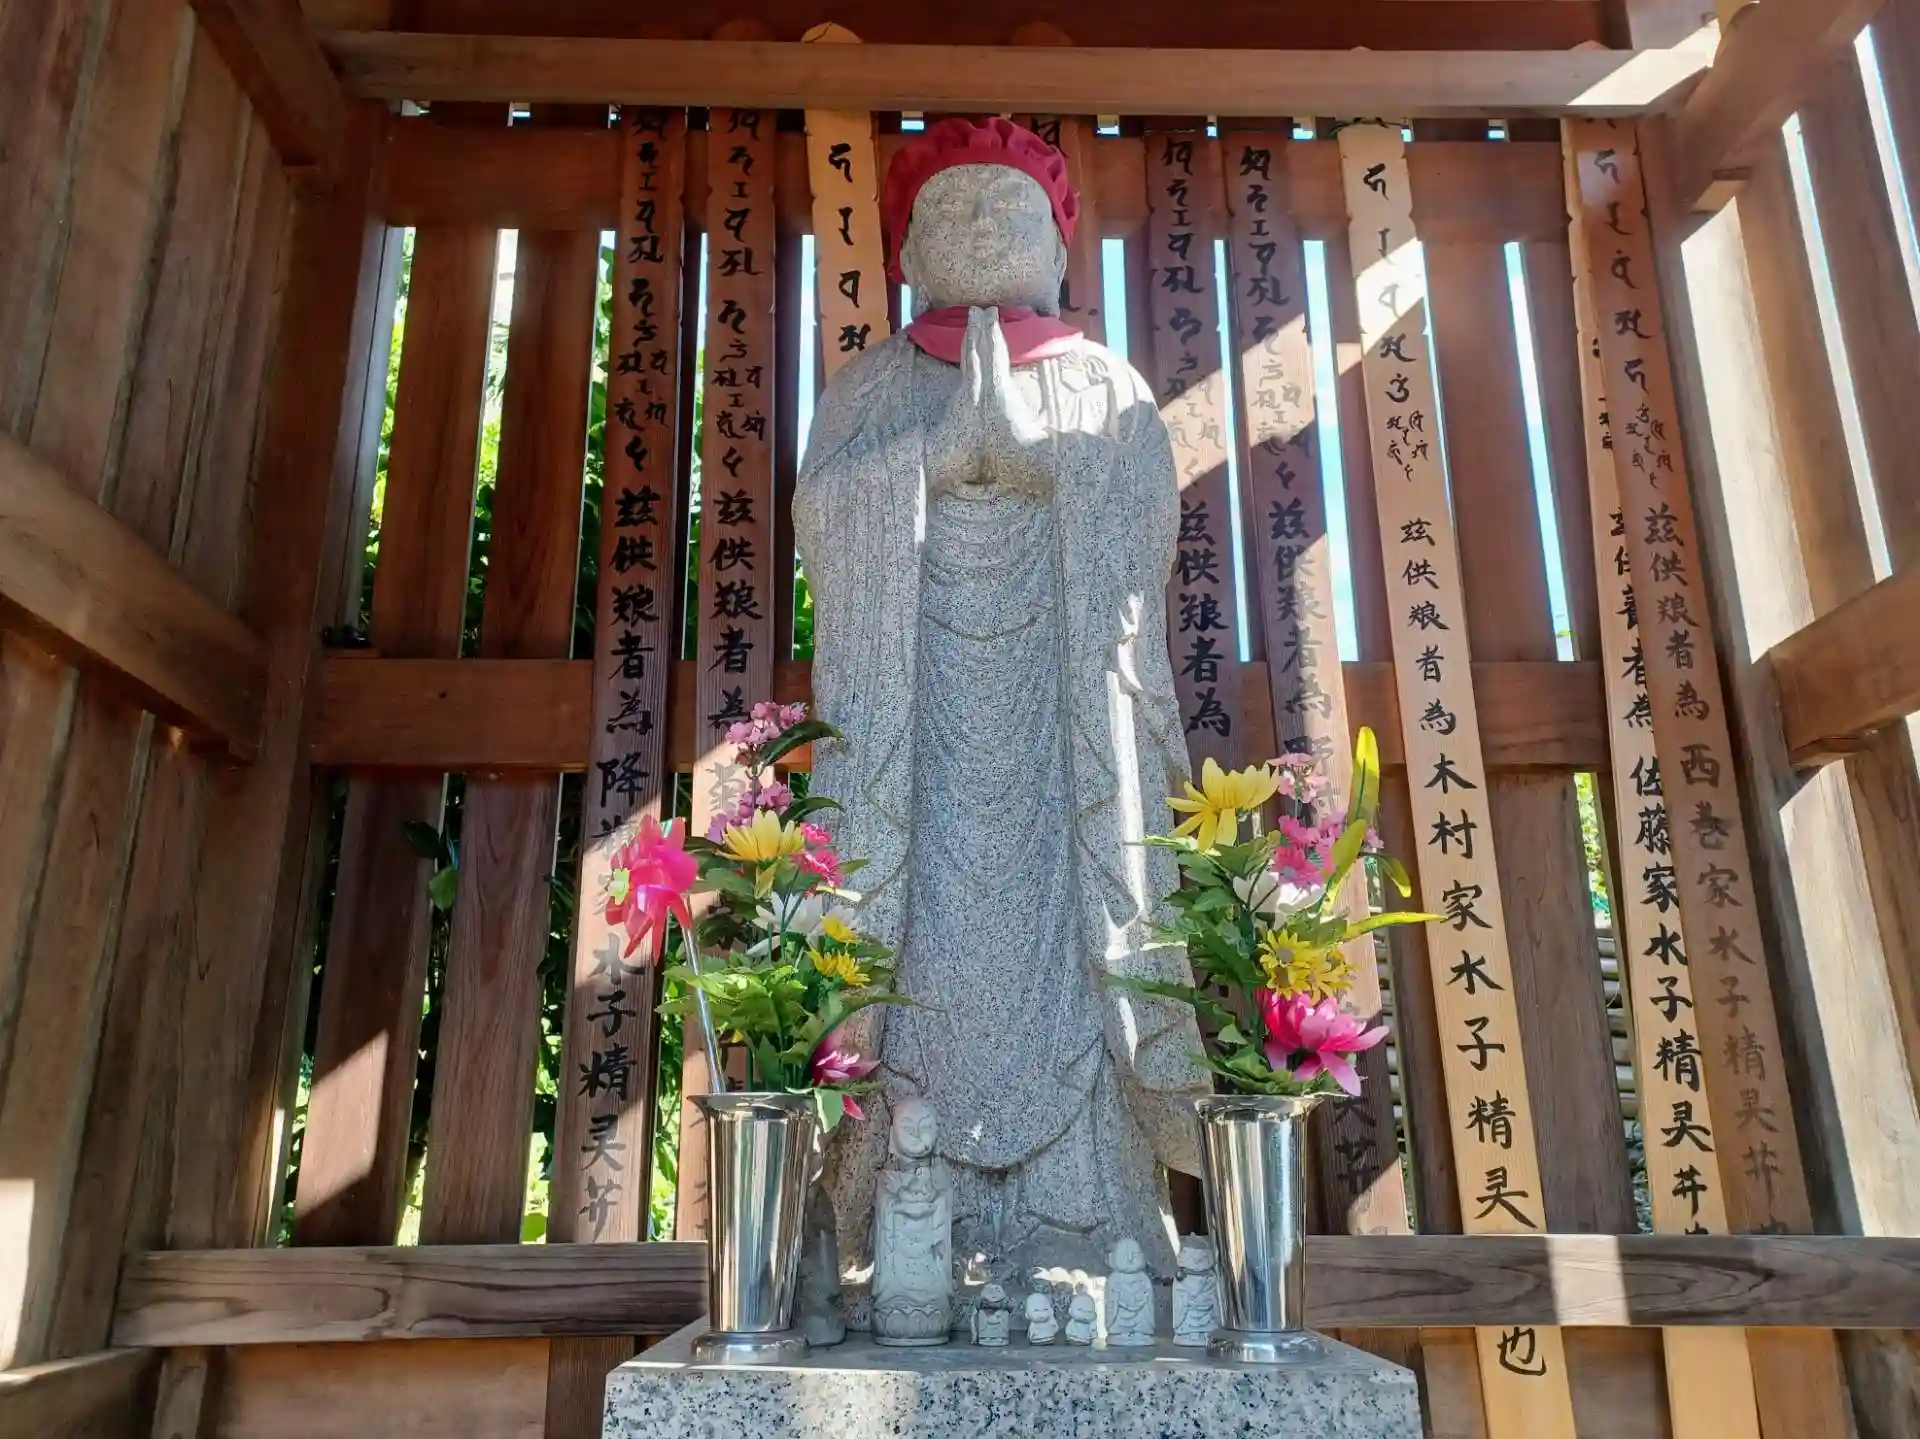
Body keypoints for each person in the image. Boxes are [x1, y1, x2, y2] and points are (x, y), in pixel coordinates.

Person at [796, 117, 1208, 1283]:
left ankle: (1094, 1215)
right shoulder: (873, 386)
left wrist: (1040, 461)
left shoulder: (1104, 383)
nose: (980, 226)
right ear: (908, 251)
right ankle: (888, 1233)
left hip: (1063, 744)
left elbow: (1139, 530)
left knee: (1082, 939)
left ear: (1058, 248)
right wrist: (927, 462)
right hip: (911, 738)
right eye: (954, 209)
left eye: (1006, 208)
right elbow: (829, 520)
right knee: (900, 936)